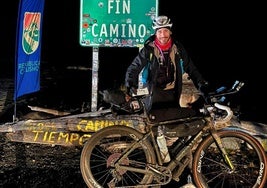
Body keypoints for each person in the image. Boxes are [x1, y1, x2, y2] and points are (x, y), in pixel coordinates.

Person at [124, 15, 209, 122]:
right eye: (159, 32)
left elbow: (191, 68)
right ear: (155, 33)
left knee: (173, 124)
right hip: (154, 93)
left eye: (165, 31)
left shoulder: (177, 48)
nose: (162, 35)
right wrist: (130, 85)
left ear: (170, 32)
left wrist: (201, 84)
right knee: (154, 124)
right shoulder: (149, 49)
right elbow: (134, 68)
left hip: (172, 92)